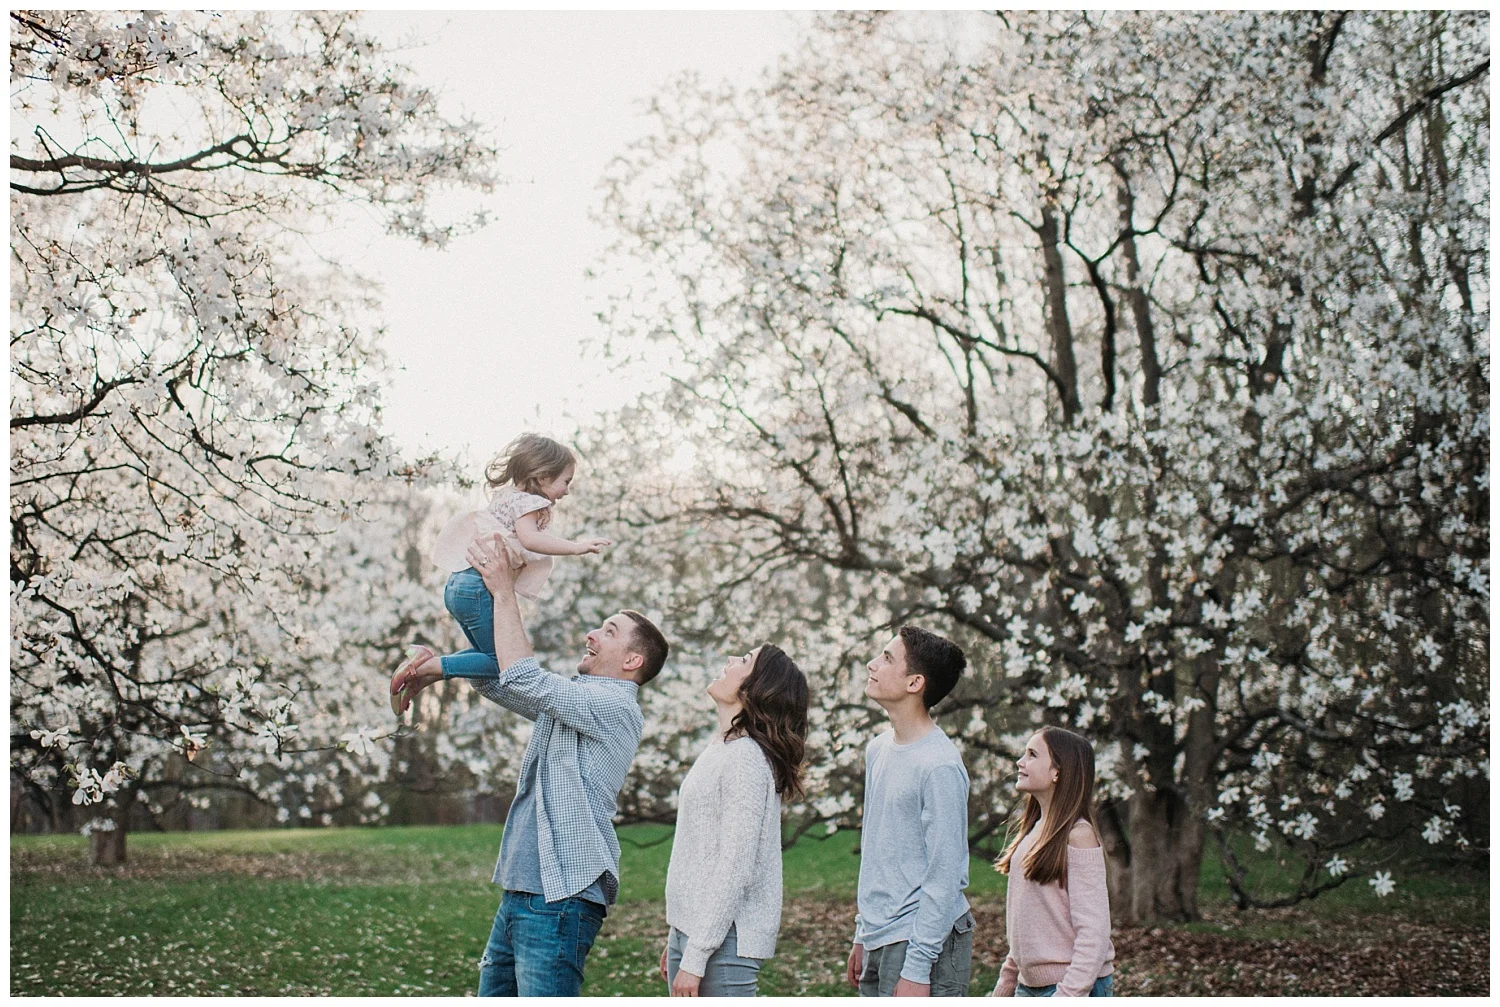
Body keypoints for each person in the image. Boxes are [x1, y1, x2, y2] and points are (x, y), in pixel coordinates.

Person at [391, 534, 668, 998]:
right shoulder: (579, 700)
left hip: (560, 899)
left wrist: (503, 591)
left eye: (609, 631)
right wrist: (437, 665)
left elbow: (523, 677)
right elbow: (504, 683)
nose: (592, 635)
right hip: (525, 891)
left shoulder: (615, 707)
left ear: (632, 660)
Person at [392, 432, 610, 713]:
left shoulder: (507, 497)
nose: (567, 490)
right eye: (565, 481)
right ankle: (426, 666)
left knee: (487, 656)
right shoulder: (531, 504)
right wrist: (576, 547)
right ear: (543, 476)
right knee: (502, 662)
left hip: (459, 584)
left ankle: (425, 673)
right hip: (478, 588)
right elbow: (531, 540)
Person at [658, 644, 810, 997]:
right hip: (699, 934)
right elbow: (700, 851)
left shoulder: (745, 760)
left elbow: (735, 866)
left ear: (755, 687)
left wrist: (695, 956)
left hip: (725, 943)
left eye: (743, 661)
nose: (728, 661)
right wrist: (680, 936)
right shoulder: (723, 747)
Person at [846, 626, 973, 997]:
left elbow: (946, 874)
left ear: (915, 682)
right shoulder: (878, 749)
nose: (872, 664)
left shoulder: (940, 766)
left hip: (924, 941)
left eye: (886, 658)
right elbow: (878, 851)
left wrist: (918, 966)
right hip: (878, 935)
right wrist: (863, 932)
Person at [990, 726, 1114, 998]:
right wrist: (1008, 980)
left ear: (1058, 771)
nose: (1020, 762)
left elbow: (1094, 932)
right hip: (1029, 986)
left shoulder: (1079, 835)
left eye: (1032, 755)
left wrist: (1068, 995)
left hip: (1070, 987)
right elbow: (1030, 922)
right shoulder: (1034, 831)